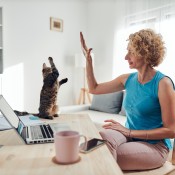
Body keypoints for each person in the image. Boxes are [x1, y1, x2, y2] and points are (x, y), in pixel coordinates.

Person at [80, 29, 175, 171]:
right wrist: (88, 62)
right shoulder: (127, 79)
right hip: (129, 135)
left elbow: (171, 130)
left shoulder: (163, 83)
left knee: (103, 153)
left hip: (155, 146)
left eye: (131, 52)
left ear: (145, 52)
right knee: (99, 141)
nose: (126, 57)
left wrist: (129, 132)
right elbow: (94, 89)